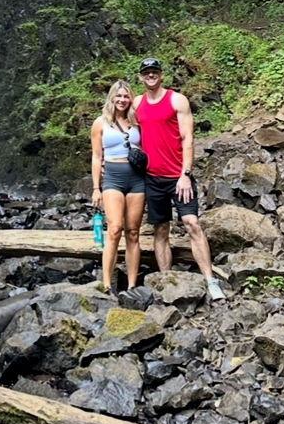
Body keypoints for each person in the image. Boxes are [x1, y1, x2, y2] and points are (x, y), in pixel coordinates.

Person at [133, 57, 225, 301]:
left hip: (178, 176)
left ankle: (210, 279)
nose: (150, 76)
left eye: (154, 72)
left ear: (161, 75)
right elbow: (126, 132)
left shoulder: (176, 100)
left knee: (192, 223)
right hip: (152, 178)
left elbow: (188, 138)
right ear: (141, 77)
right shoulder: (137, 104)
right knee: (161, 229)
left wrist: (185, 174)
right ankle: (166, 279)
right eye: (146, 73)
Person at [90, 79, 146, 293]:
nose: (122, 100)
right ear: (112, 98)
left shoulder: (136, 121)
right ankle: (106, 283)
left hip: (136, 178)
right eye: (119, 96)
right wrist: (96, 188)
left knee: (133, 232)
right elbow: (96, 156)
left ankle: (132, 285)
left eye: (126, 96)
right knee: (114, 229)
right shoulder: (100, 123)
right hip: (113, 177)